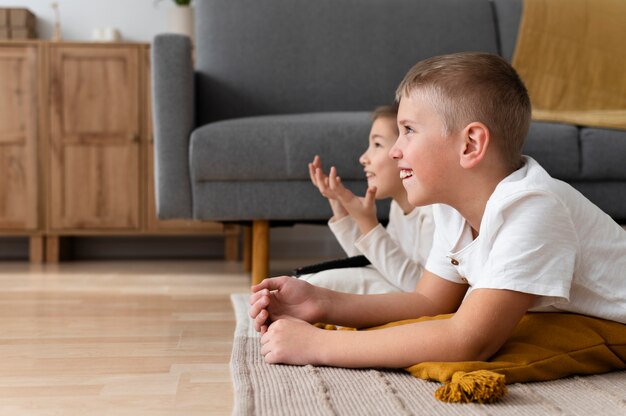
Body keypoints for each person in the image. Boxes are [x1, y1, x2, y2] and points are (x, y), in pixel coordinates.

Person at [248, 52, 626, 368]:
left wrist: (317, 346)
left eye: (409, 130)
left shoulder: (533, 207)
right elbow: (428, 302)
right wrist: (321, 303)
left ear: (470, 145)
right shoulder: (453, 208)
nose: (396, 150)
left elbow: (467, 341)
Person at [300, 104, 434, 294]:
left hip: (417, 301)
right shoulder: (398, 207)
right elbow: (377, 264)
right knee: (313, 281)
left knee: (319, 285)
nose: (363, 158)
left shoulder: (432, 212)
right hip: (399, 290)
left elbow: (419, 288)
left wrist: (369, 224)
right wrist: (341, 209)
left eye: (377, 145)